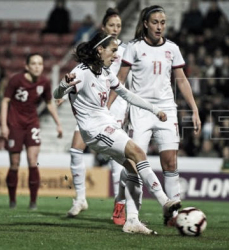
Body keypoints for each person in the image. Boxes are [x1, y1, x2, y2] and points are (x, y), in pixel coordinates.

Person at [53, 31, 180, 235]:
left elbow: (127, 94)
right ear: (99, 50)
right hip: (95, 129)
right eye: (113, 51)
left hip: (105, 124)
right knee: (138, 153)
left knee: (132, 169)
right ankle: (165, 202)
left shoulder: (105, 72)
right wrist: (63, 85)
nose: (116, 55)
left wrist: (155, 110)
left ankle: (131, 221)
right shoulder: (82, 71)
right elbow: (57, 94)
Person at [113, 5, 201, 226]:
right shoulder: (133, 47)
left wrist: (194, 109)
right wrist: (107, 109)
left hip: (166, 110)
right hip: (140, 110)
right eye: (155, 22)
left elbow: (181, 80)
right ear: (145, 23)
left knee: (170, 162)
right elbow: (120, 81)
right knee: (134, 163)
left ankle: (172, 215)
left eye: (163, 22)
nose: (160, 26)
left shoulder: (172, 48)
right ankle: (132, 216)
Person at [61, 8, 129, 226]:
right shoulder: (97, 48)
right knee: (75, 147)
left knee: (116, 155)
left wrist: (109, 106)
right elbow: (82, 71)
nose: (116, 29)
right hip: (93, 105)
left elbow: (121, 79)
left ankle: (119, 204)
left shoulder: (125, 50)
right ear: (104, 28)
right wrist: (67, 89)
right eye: (112, 26)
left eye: (118, 26)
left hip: (114, 104)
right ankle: (80, 198)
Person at [1, 53, 63, 210]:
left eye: (40, 64)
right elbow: (5, 101)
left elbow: (49, 102)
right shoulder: (16, 80)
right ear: (27, 66)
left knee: (32, 160)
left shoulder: (44, 82)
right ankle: (12, 200)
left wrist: (58, 123)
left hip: (32, 124)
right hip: (14, 124)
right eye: (34, 63)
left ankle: (33, 202)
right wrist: (4, 125)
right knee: (14, 163)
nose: (37, 66)